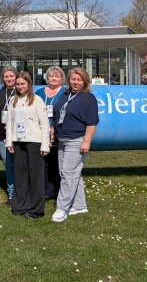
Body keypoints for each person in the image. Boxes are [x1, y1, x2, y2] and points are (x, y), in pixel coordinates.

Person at [51, 67, 99, 223]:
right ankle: (79, 205)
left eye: (79, 80)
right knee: (69, 173)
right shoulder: (66, 94)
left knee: (68, 174)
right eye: (73, 79)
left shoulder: (88, 98)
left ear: (85, 81)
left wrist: (86, 141)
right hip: (62, 139)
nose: (75, 82)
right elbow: (58, 114)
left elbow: (92, 122)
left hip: (77, 139)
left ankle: (62, 208)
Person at [6, 71, 50, 219]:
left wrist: (45, 145)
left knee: (35, 176)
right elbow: (9, 122)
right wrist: (9, 141)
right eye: (18, 84)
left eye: (22, 84)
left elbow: (44, 124)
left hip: (35, 142)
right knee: (20, 175)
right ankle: (20, 205)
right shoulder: (13, 100)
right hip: (18, 142)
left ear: (29, 84)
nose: (20, 86)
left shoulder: (37, 100)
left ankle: (37, 209)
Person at [36, 66, 65, 200]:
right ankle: (47, 191)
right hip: (41, 131)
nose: (53, 78)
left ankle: (58, 192)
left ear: (61, 79)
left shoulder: (65, 92)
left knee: (57, 163)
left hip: (57, 131)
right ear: (47, 78)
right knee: (44, 163)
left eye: (57, 76)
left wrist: (54, 128)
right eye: (51, 76)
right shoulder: (39, 92)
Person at [0, 66, 18, 204]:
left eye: (12, 76)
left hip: (19, 136)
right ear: (2, 79)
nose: (9, 79)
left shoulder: (21, 91)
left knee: (20, 165)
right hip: (3, 136)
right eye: (6, 76)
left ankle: (23, 192)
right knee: (9, 165)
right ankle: (12, 194)